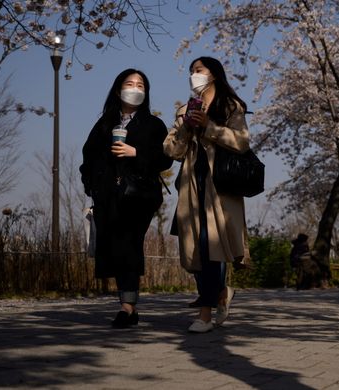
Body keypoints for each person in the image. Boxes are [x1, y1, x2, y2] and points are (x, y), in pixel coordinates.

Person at [80, 69, 173, 328]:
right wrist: (92, 186)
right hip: (109, 197)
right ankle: (128, 305)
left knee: (129, 242)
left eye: (140, 84)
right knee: (117, 247)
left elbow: (165, 157)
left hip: (140, 195)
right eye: (130, 83)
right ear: (118, 89)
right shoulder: (104, 124)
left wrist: (136, 152)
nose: (135, 87)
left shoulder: (154, 124)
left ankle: (127, 306)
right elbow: (88, 157)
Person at [163, 56, 250, 333]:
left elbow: (241, 142)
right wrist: (188, 126)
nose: (193, 75)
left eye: (198, 70)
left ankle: (204, 315)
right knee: (194, 251)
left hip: (220, 187)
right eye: (191, 71)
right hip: (192, 185)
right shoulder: (183, 110)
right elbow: (171, 151)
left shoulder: (230, 106)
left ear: (213, 74)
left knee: (211, 246)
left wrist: (209, 127)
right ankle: (222, 293)